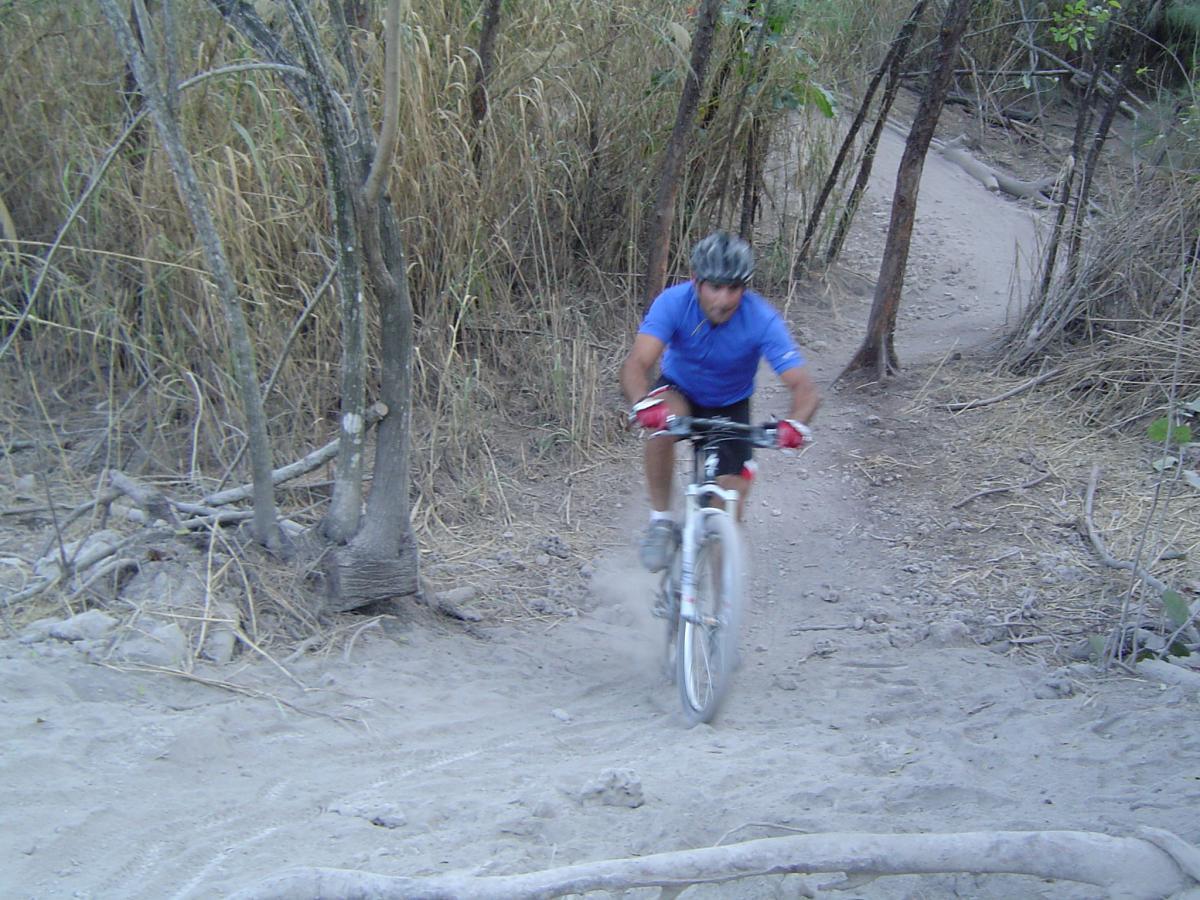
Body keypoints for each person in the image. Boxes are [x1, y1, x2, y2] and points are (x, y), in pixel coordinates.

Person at [620, 231, 820, 572]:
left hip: (730, 406)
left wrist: (795, 424)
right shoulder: (673, 303)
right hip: (680, 391)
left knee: (729, 503)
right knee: (662, 425)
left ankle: (716, 605)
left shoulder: (761, 318)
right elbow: (637, 363)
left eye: (734, 288)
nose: (724, 299)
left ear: (745, 287)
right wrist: (642, 403)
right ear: (697, 281)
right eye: (715, 286)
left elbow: (804, 388)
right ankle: (661, 522)